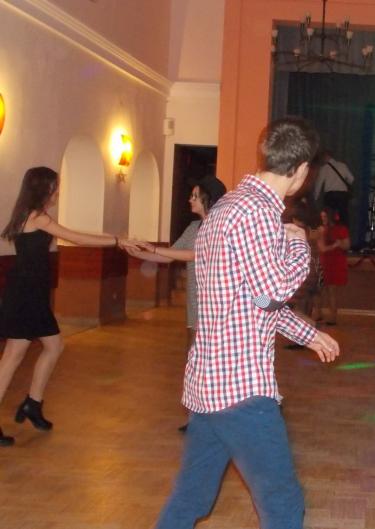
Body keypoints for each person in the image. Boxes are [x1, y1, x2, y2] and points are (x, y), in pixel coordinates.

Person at [154, 117, 340, 529]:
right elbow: (275, 289)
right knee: (283, 503)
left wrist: (310, 334)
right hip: (240, 388)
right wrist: (299, 244)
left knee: (191, 498)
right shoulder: (256, 213)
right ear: (301, 170)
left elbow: (254, 299)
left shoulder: (227, 208)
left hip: (211, 384)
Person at [0, 167, 138, 447]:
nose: (57, 191)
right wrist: (116, 241)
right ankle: (31, 404)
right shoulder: (36, 217)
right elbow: (75, 237)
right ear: (43, 187)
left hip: (31, 293)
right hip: (25, 294)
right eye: (55, 186)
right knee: (13, 355)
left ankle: (33, 404)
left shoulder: (30, 214)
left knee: (53, 346)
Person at [127, 175, 227, 346]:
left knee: (210, 352)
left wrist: (154, 248)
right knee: (192, 350)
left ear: (208, 199)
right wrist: (137, 254)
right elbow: (170, 256)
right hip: (194, 300)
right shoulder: (193, 228)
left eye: (195, 196)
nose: (190, 199)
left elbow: (195, 255)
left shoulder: (221, 228)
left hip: (216, 302)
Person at [318, 207, 350, 325]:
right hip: (325, 261)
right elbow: (322, 248)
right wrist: (335, 245)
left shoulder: (341, 229)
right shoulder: (321, 229)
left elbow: (347, 245)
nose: (323, 219)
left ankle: (333, 317)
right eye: (322, 217)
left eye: (325, 216)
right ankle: (319, 313)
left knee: (332, 290)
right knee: (320, 290)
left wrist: (339, 244)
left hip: (336, 261)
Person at [313, 150, 354, 226]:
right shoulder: (343, 165)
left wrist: (315, 197)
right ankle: (344, 232)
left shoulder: (324, 168)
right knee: (343, 217)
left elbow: (319, 184)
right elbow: (351, 179)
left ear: (325, 157)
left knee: (330, 218)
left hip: (330, 196)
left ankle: (332, 232)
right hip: (342, 196)